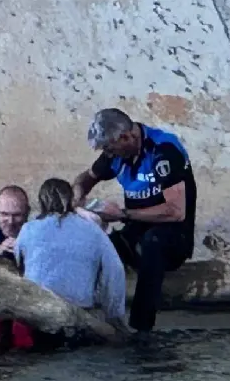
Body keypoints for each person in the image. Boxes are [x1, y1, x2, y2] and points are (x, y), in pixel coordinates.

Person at [71, 108, 198, 335]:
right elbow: (85, 178)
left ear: (126, 137)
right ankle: (77, 314)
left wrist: (122, 214)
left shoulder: (164, 150)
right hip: (136, 229)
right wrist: (77, 195)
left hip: (173, 235)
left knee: (153, 242)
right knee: (99, 244)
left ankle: (141, 329)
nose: (109, 154)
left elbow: (176, 211)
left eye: (110, 148)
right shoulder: (115, 154)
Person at [13, 177, 128, 349]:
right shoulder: (92, 230)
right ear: (71, 200)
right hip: (80, 317)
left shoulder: (28, 230)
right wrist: (114, 316)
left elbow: (19, 270)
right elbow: (115, 271)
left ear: (41, 203)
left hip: (38, 315)